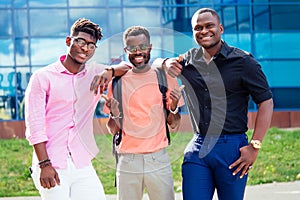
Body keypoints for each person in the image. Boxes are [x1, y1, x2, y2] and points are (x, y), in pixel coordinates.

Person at [162, 8, 274, 200]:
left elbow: (266, 102)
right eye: (198, 28)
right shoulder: (187, 61)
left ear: (220, 28)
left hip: (231, 148)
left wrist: (254, 146)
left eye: (209, 26)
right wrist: (166, 62)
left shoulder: (243, 61)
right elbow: (157, 64)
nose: (204, 31)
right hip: (198, 146)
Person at [24, 18, 125, 200]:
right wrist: (44, 164)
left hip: (81, 162)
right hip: (52, 162)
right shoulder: (42, 77)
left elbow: (128, 67)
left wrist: (110, 71)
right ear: (69, 41)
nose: (85, 48)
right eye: (81, 42)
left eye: (91, 45)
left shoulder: (95, 74)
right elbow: (35, 126)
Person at [101, 26, 184, 200]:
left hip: (158, 158)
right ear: (126, 50)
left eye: (143, 47)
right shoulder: (117, 82)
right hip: (128, 161)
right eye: (132, 48)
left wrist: (174, 106)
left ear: (150, 47)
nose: (138, 52)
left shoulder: (165, 77)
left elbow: (174, 124)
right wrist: (115, 114)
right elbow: (112, 129)